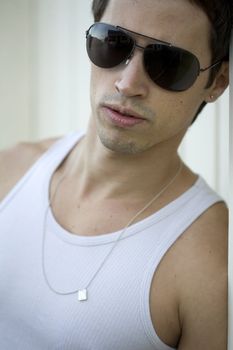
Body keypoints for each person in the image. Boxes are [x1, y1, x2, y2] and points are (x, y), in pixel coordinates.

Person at [0, 0, 231, 349]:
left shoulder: (212, 261)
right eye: (113, 43)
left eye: (168, 63)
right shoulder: (11, 169)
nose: (127, 83)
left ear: (218, 82)